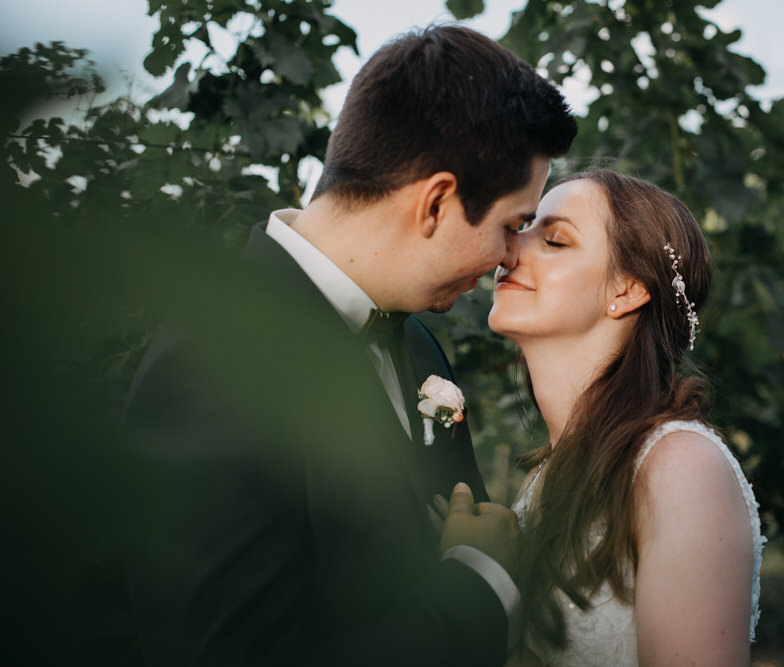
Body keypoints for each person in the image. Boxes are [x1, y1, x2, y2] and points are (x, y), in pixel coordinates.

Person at [124, 25, 576, 667]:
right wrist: (479, 582)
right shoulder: (211, 362)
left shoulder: (419, 344)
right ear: (437, 201)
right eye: (510, 226)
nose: (509, 257)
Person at [488, 169, 765, 666]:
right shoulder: (545, 479)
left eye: (553, 239)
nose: (508, 247)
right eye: (520, 227)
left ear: (627, 290)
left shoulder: (679, 468)